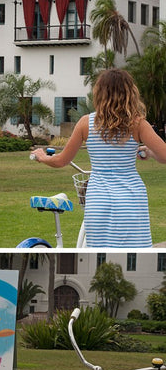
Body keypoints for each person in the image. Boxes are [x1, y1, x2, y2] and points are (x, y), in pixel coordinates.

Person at [31, 68, 166, 248]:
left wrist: (42, 157)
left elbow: (61, 160)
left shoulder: (86, 123)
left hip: (98, 200)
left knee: (99, 254)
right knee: (135, 251)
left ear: (100, 93)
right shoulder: (137, 124)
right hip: (131, 200)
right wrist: (149, 152)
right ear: (129, 93)